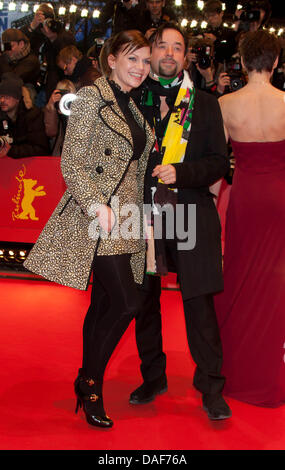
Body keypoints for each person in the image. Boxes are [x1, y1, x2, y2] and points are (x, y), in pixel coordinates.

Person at [24, 30, 153, 428]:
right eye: (133, 58)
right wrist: (97, 204)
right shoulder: (90, 100)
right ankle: (89, 382)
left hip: (128, 216)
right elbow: (73, 162)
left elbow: (136, 166)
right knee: (129, 303)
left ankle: (88, 380)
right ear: (111, 59)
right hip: (99, 215)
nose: (141, 68)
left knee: (103, 305)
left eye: (146, 61)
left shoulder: (133, 105)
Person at [130, 22, 231, 420]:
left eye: (177, 47)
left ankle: (211, 384)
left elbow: (219, 162)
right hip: (141, 213)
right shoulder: (134, 98)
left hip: (189, 209)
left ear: (186, 55)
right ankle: (153, 376)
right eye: (162, 46)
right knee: (143, 300)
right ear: (151, 52)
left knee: (199, 302)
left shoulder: (204, 103)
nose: (169, 53)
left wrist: (181, 173)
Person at [214, 30, 285, 408]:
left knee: (239, 277)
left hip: (245, 197)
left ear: (242, 62)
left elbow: (214, 167)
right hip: (280, 199)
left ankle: (235, 369)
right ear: (275, 62)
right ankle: (268, 371)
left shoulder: (226, 103)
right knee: (275, 283)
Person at [0, 73, 49, 159]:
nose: (2, 100)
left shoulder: (33, 116)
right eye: (0, 96)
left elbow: (41, 149)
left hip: (28, 167)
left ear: (17, 99)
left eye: (7, 97)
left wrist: (12, 150)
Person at [44, 79, 77, 155]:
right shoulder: (52, 110)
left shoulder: (78, 111)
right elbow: (51, 132)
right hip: (57, 153)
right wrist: (51, 107)